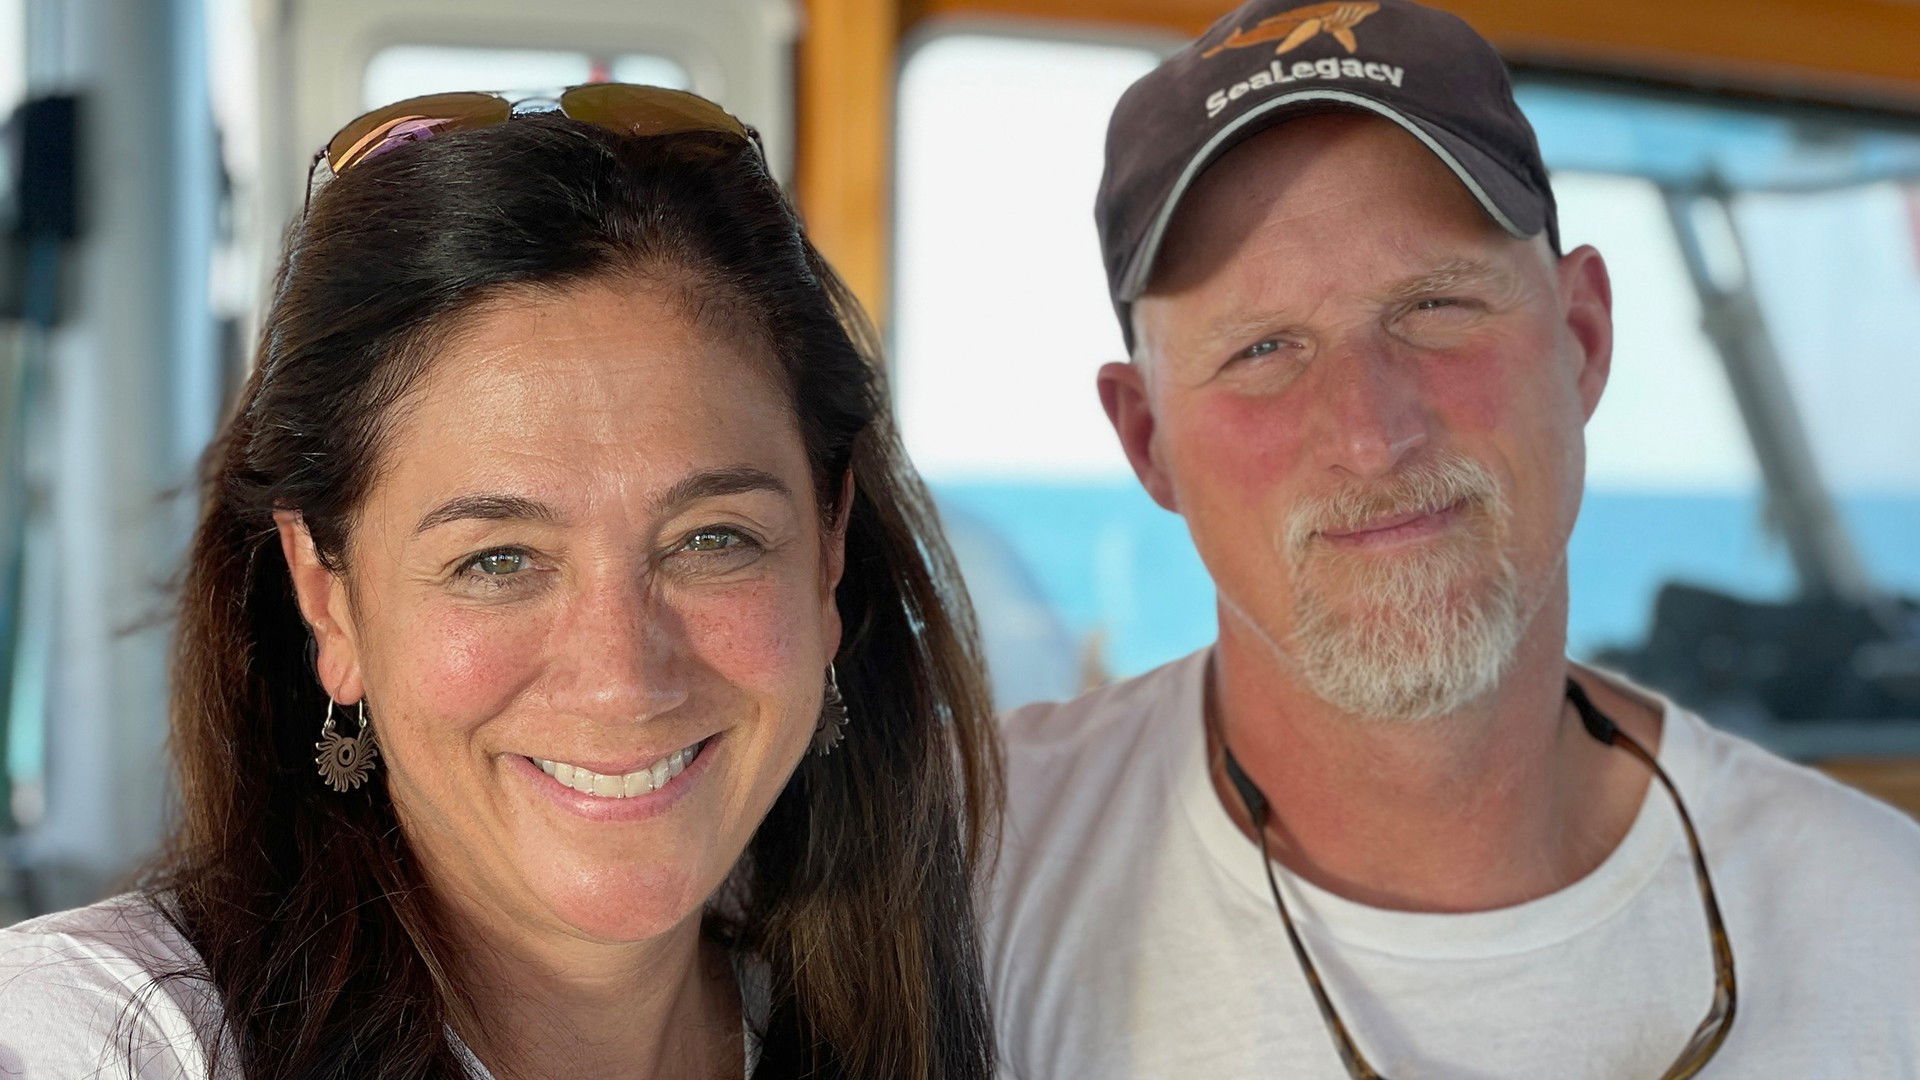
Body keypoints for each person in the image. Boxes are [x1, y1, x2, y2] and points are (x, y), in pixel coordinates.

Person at [982, 2, 1920, 1077]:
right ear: (1148, 441)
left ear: (1582, 339)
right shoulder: (970, 884)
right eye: (1263, 349)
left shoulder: (1887, 935)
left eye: (1435, 306)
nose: (1374, 434)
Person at [0, 85, 999, 1080]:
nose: (622, 679)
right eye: (497, 560)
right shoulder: (99, 1041)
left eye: (712, 540)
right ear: (327, 597)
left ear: (828, 548)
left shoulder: (943, 1002)